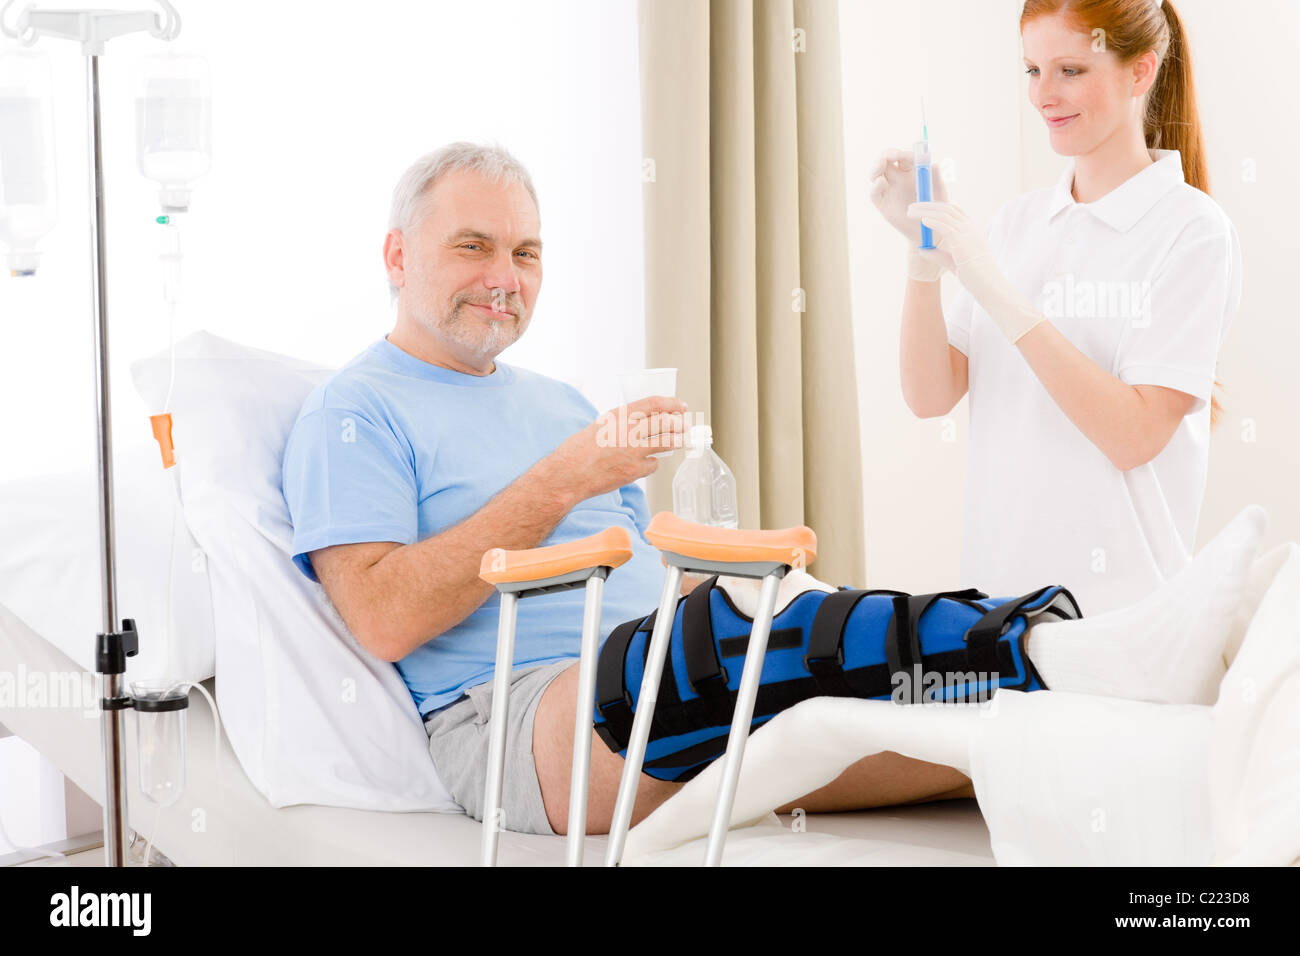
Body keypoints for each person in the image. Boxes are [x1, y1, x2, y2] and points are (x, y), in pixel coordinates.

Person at [282, 141, 1264, 839]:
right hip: (517, 722)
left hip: (649, 690)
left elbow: (650, 584)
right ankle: (1094, 644)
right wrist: (572, 474)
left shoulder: (562, 399)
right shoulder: (354, 411)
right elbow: (379, 617)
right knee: (729, 638)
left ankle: (1089, 653)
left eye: (526, 252)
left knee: (935, 696)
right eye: (473, 245)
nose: (504, 276)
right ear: (397, 255)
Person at [871, 0, 1241, 615]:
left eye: (1070, 70)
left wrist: (997, 291)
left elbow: (1133, 436)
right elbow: (929, 395)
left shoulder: (1193, 231)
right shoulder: (1020, 222)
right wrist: (922, 257)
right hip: (995, 608)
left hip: (1119, 619)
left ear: (1139, 72)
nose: (1045, 94)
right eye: (1032, 70)